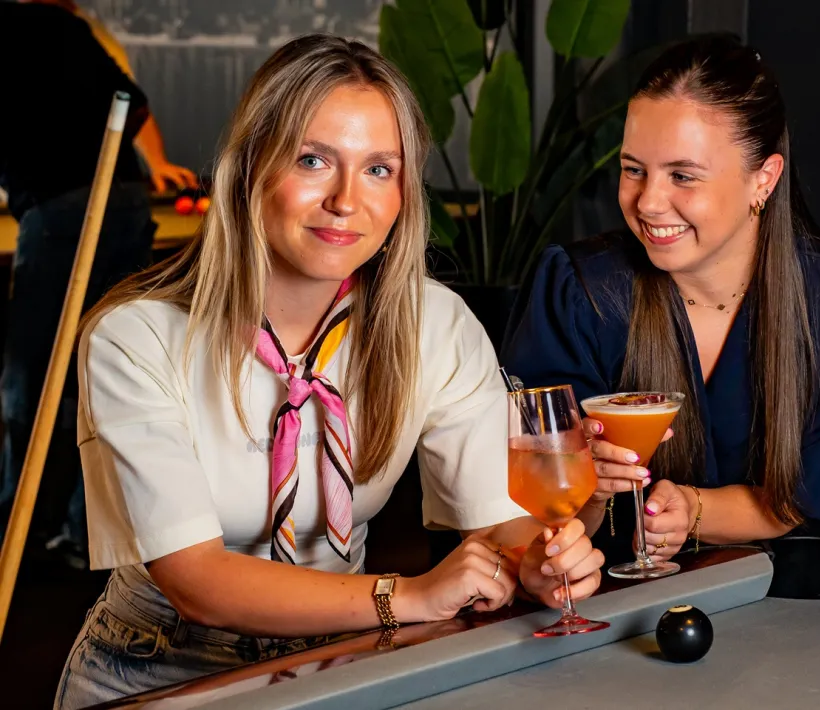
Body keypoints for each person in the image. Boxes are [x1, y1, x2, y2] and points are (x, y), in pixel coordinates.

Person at [54, 34, 603, 709]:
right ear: (252, 166)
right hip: (157, 671)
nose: (348, 200)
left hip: (341, 659)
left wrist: (541, 563)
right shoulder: (135, 337)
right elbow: (195, 580)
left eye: (380, 168)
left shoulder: (435, 323)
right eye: (313, 160)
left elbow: (497, 520)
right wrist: (405, 596)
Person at [502, 34, 820, 566]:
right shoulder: (577, 293)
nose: (648, 202)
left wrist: (693, 508)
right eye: (633, 169)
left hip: (794, 605)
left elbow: (813, 496)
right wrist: (592, 488)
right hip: (608, 597)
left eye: (682, 176)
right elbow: (545, 512)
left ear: (763, 178)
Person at [0, 1, 156, 564]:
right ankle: (84, 534)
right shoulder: (60, 23)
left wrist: (50, 167)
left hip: (63, 212)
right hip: (125, 199)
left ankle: (20, 534)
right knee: (103, 372)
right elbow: (133, 105)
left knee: (30, 384)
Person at [19, 0, 200, 193]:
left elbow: (124, 101)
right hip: (30, 190)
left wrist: (157, 162)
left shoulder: (88, 32)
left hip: (74, 190)